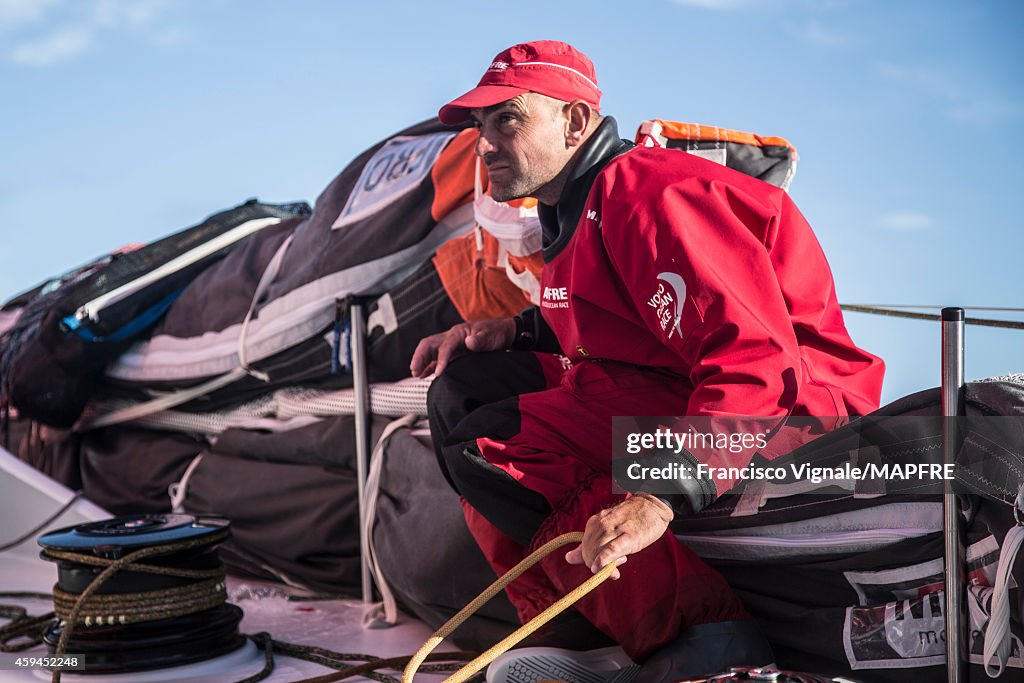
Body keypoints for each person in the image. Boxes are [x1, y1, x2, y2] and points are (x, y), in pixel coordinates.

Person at [411, 40, 885, 683]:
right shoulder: (575, 205)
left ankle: (702, 631)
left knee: (494, 442)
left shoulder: (653, 198)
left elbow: (753, 359)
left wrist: (660, 495)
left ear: (575, 122)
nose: (486, 143)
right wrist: (512, 331)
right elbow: (610, 320)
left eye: (508, 120)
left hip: (795, 412)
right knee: (463, 392)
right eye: (480, 127)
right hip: (666, 383)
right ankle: (576, 633)